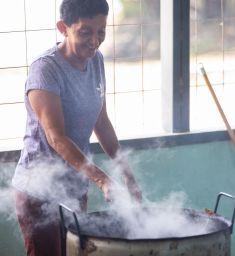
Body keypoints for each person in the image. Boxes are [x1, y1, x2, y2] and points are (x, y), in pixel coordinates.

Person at [12, 0, 142, 255]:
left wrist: (126, 173)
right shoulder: (46, 70)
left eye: (101, 31)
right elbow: (56, 138)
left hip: (75, 187)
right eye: (85, 32)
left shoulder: (96, 61)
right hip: (39, 192)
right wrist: (102, 179)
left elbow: (101, 121)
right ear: (64, 27)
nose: (94, 40)